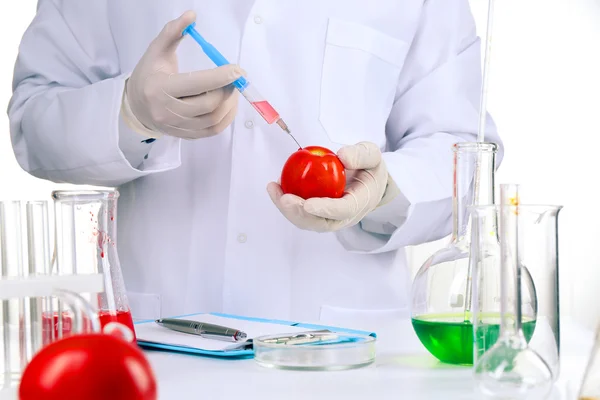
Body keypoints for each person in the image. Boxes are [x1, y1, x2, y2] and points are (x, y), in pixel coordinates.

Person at [8, 1, 503, 329]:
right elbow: (33, 119)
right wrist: (127, 113)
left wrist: (388, 189)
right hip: (157, 342)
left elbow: (464, 148)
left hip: (345, 353)